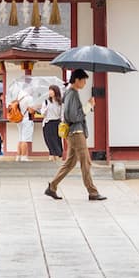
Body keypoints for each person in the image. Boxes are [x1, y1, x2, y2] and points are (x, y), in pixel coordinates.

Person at [46, 70, 103, 201]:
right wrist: (89, 105)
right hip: (76, 132)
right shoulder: (72, 94)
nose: (84, 83)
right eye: (83, 80)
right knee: (86, 162)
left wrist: (88, 105)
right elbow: (73, 116)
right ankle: (92, 191)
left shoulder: (70, 93)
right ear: (77, 80)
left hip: (72, 133)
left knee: (70, 163)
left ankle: (52, 186)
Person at [40, 86, 64, 161]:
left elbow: (62, 113)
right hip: (48, 123)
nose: (50, 92)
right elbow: (42, 113)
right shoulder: (46, 102)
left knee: (56, 140)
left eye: (52, 90)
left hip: (57, 122)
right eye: (49, 90)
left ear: (56, 92)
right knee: (49, 140)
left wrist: (62, 122)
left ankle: (58, 154)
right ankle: (52, 155)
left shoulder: (60, 102)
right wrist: (46, 108)